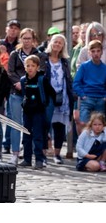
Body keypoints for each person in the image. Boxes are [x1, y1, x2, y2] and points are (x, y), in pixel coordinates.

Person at [7, 28, 46, 165]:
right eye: (24, 38)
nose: (27, 41)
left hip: (33, 95)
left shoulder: (39, 55)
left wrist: (27, 82)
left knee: (35, 128)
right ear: (20, 39)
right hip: (17, 93)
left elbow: (42, 71)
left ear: (33, 40)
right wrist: (19, 83)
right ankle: (16, 153)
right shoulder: (14, 54)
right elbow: (10, 72)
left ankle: (38, 158)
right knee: (17, 124)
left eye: (29, 38)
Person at [19, 55, 55, 169]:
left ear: (37, 67)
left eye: (33, 66)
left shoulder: (42, 79)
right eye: (28, 65)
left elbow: (51, 92)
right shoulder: (23, 80)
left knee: (38, 136)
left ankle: (39, 159)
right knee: (26, 136)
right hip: (27, 111)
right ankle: (27, 159)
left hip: (39, 112)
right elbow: (24, 94)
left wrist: (45, 104)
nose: (30, 68)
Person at [43, 34, 74, 164]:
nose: (57, 45)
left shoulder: (65, 62)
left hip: (62, 98)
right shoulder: (44, 58)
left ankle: (57, 154)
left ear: (63, 46)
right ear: (51, 43)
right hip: (47, 96)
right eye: (55, 42)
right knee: (44, 125)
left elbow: (68, 79)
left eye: (60, 43)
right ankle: (43, 154)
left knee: (59, 126)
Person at [73, 40, 106, 134]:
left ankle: (96, 147)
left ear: (102, 52)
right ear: (89, 52)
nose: (96, 54)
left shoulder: (104, 68)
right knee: (84, 124)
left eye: (98, 51)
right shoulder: (84, 66)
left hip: (100, 99)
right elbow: (76, 83)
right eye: (93, 51)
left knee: (99, 126)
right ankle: (84, 146)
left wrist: (104, 97)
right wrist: (83, 95)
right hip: (87, 98)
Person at [0, 19, 21, 154]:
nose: (13, 30)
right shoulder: (1, 44)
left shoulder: (20, 45)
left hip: (14, 84)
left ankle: (8, 142)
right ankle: (4, 141)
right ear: (6, 29)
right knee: (3, 112)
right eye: (11, 27)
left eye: (16, 28)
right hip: (1, 82)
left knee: (12, 114)